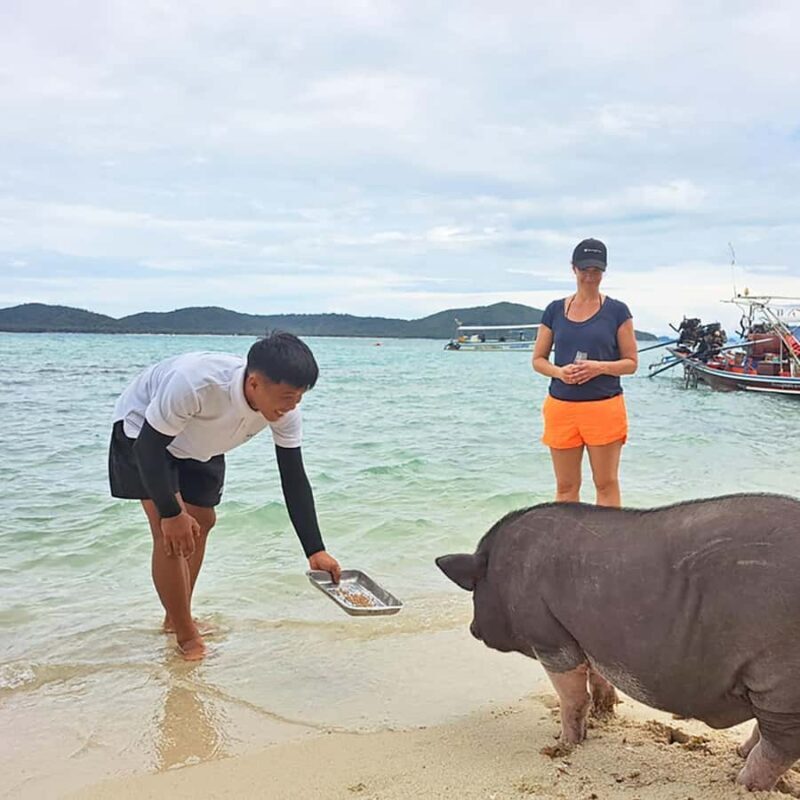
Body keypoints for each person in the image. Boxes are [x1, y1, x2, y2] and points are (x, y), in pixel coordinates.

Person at [108, 332, 341, 660]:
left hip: (201, 442)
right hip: (145, 436)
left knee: (202, 521)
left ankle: (174, 618)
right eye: (287, 396)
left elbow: (293, 476)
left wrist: (315, 550)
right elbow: (148, 448)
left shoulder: (285, 411)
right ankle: (187, 637)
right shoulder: (196, 382)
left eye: (300, 397)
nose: (292, 406)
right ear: (255, 383)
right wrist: (171, 513)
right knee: (171, 532)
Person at [532, 238, 637, 507]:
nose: (590, 276)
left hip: (603, 407)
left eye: (596, 270)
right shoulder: (554, 310)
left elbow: (631, 363)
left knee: (606, 484)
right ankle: (568, 545)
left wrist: (598, 367)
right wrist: (559, 372)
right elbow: (538, 360)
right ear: (573, 268)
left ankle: (608, 544)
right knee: (566, 487)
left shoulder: (617, 311)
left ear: (604, 271)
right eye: (584, 269)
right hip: (561, 408)